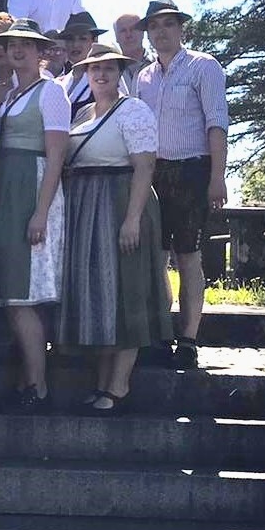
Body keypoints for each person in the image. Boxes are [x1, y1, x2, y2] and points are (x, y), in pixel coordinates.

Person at [58, 44, 173, 413]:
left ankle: (119, 383)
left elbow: (144, 167)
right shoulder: (81, 115)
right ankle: (102, 379)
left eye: (109, 68)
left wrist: (132, 218)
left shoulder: (133, 110)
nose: (101, 75)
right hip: (85, 206)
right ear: (87, 74)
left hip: (122, 199)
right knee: (97, 294)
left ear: (120, 72)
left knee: (127, 289)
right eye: (95, 69)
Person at [135, 0, 229, 369]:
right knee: (154, 258)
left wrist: (217, 176)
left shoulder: (203, 66)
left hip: (192, 169)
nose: (161, 32)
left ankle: (188, 338)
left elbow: (216, 122)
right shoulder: (143, 76)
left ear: (181, 28)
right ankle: (160, 332)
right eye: (155, 26)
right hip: (154, 172)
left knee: (188, 256)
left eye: (168, 24)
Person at [0, 19, 70, 412]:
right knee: (13, 294)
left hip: (32, 188)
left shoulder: (51, 92)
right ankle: (27, 379)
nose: (18, 50)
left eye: (27, 45)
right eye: (12, 44)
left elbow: (56, 155)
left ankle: (37, 386)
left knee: (23, 296)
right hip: (8, 189)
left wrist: (40, 212)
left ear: (41, 52)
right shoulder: (12, 93)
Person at [55, 11, 108, 119]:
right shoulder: (59, 82)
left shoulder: (107, 77)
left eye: (82, 38)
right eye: (70, 39)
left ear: (94, 41)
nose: (75, 44)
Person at [113, 13, 152, 95]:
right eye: (123, 31)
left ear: (143, 33)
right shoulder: (110, 70)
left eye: (133, 29)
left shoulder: (160, 65)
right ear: (116, 37)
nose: (128, 35)